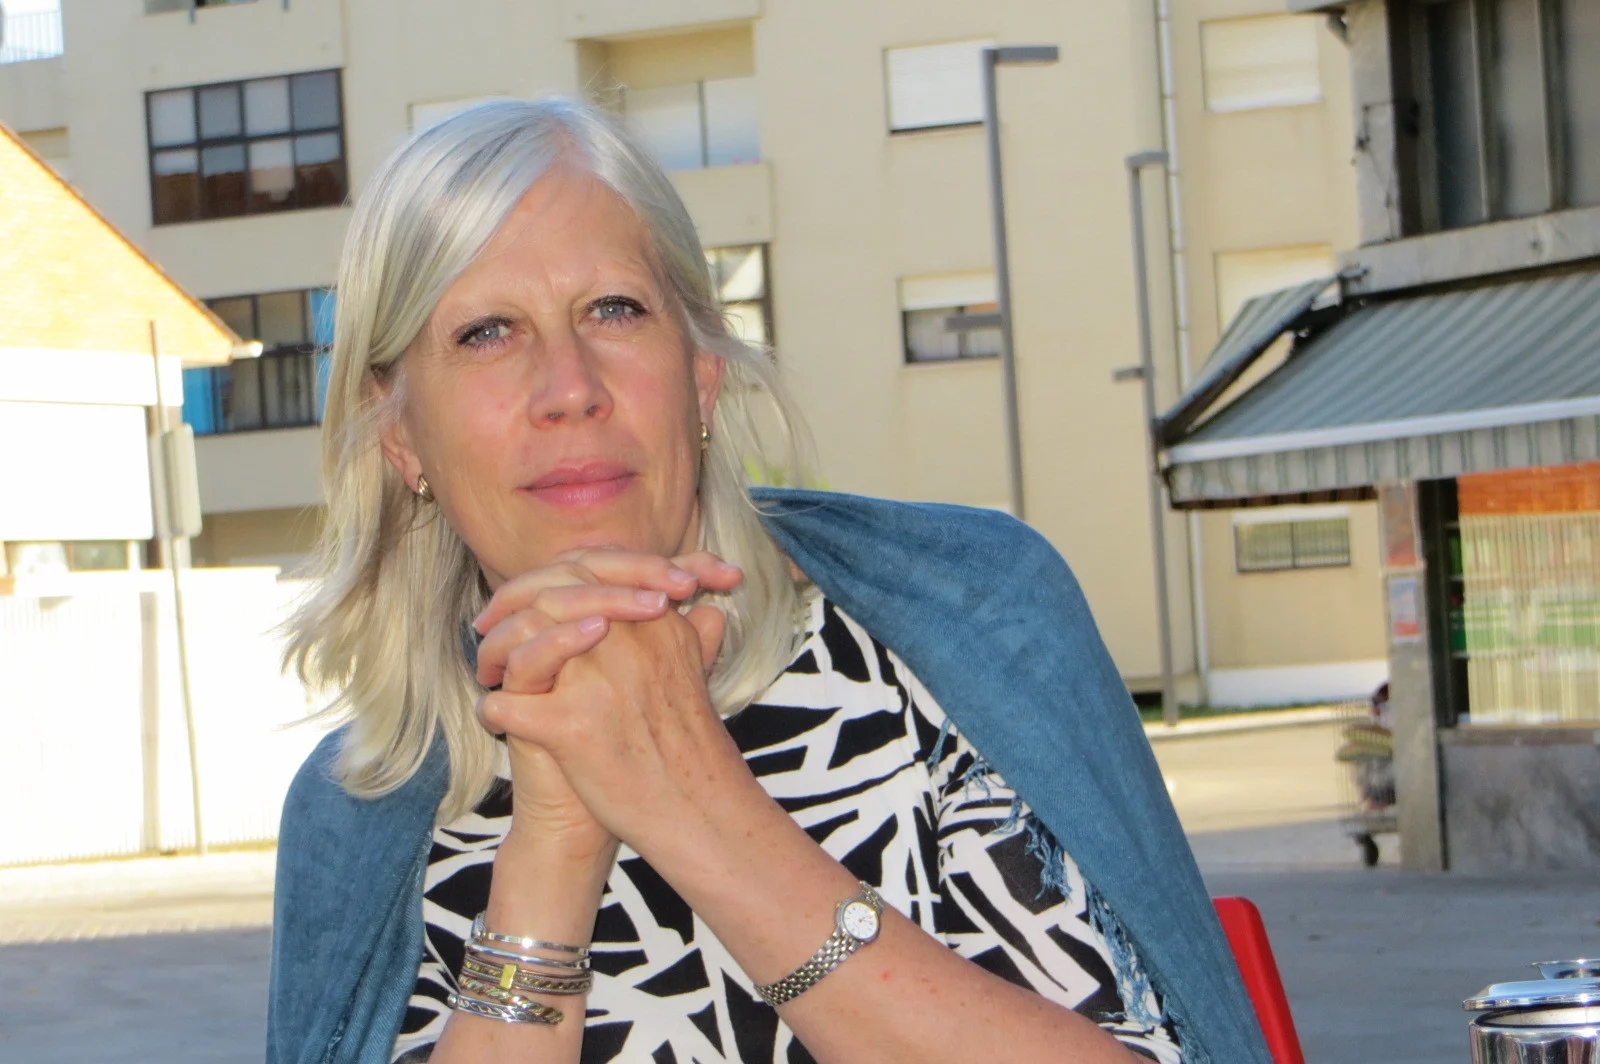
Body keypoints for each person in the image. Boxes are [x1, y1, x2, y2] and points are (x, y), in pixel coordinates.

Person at [267, 97, 1268, 1064]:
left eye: (613, 308)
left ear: (700, 377)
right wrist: (552, 848)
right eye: (486, 331)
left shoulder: (959, 623)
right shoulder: (368, 809)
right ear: (400, 434)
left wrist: (688, 798)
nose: (568, 386)